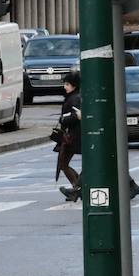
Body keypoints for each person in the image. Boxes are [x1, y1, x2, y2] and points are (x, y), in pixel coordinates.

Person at [55, 71, 83, 202]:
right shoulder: (73, 97)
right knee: (63, 163)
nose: (64, 87)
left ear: (74, 85)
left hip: (73, 136)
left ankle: (77, 189)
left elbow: (76, 116)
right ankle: (78, 188)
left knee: (63, 163)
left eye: (67, 84)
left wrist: (63, 119)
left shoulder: (74, 98)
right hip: (72, 135)